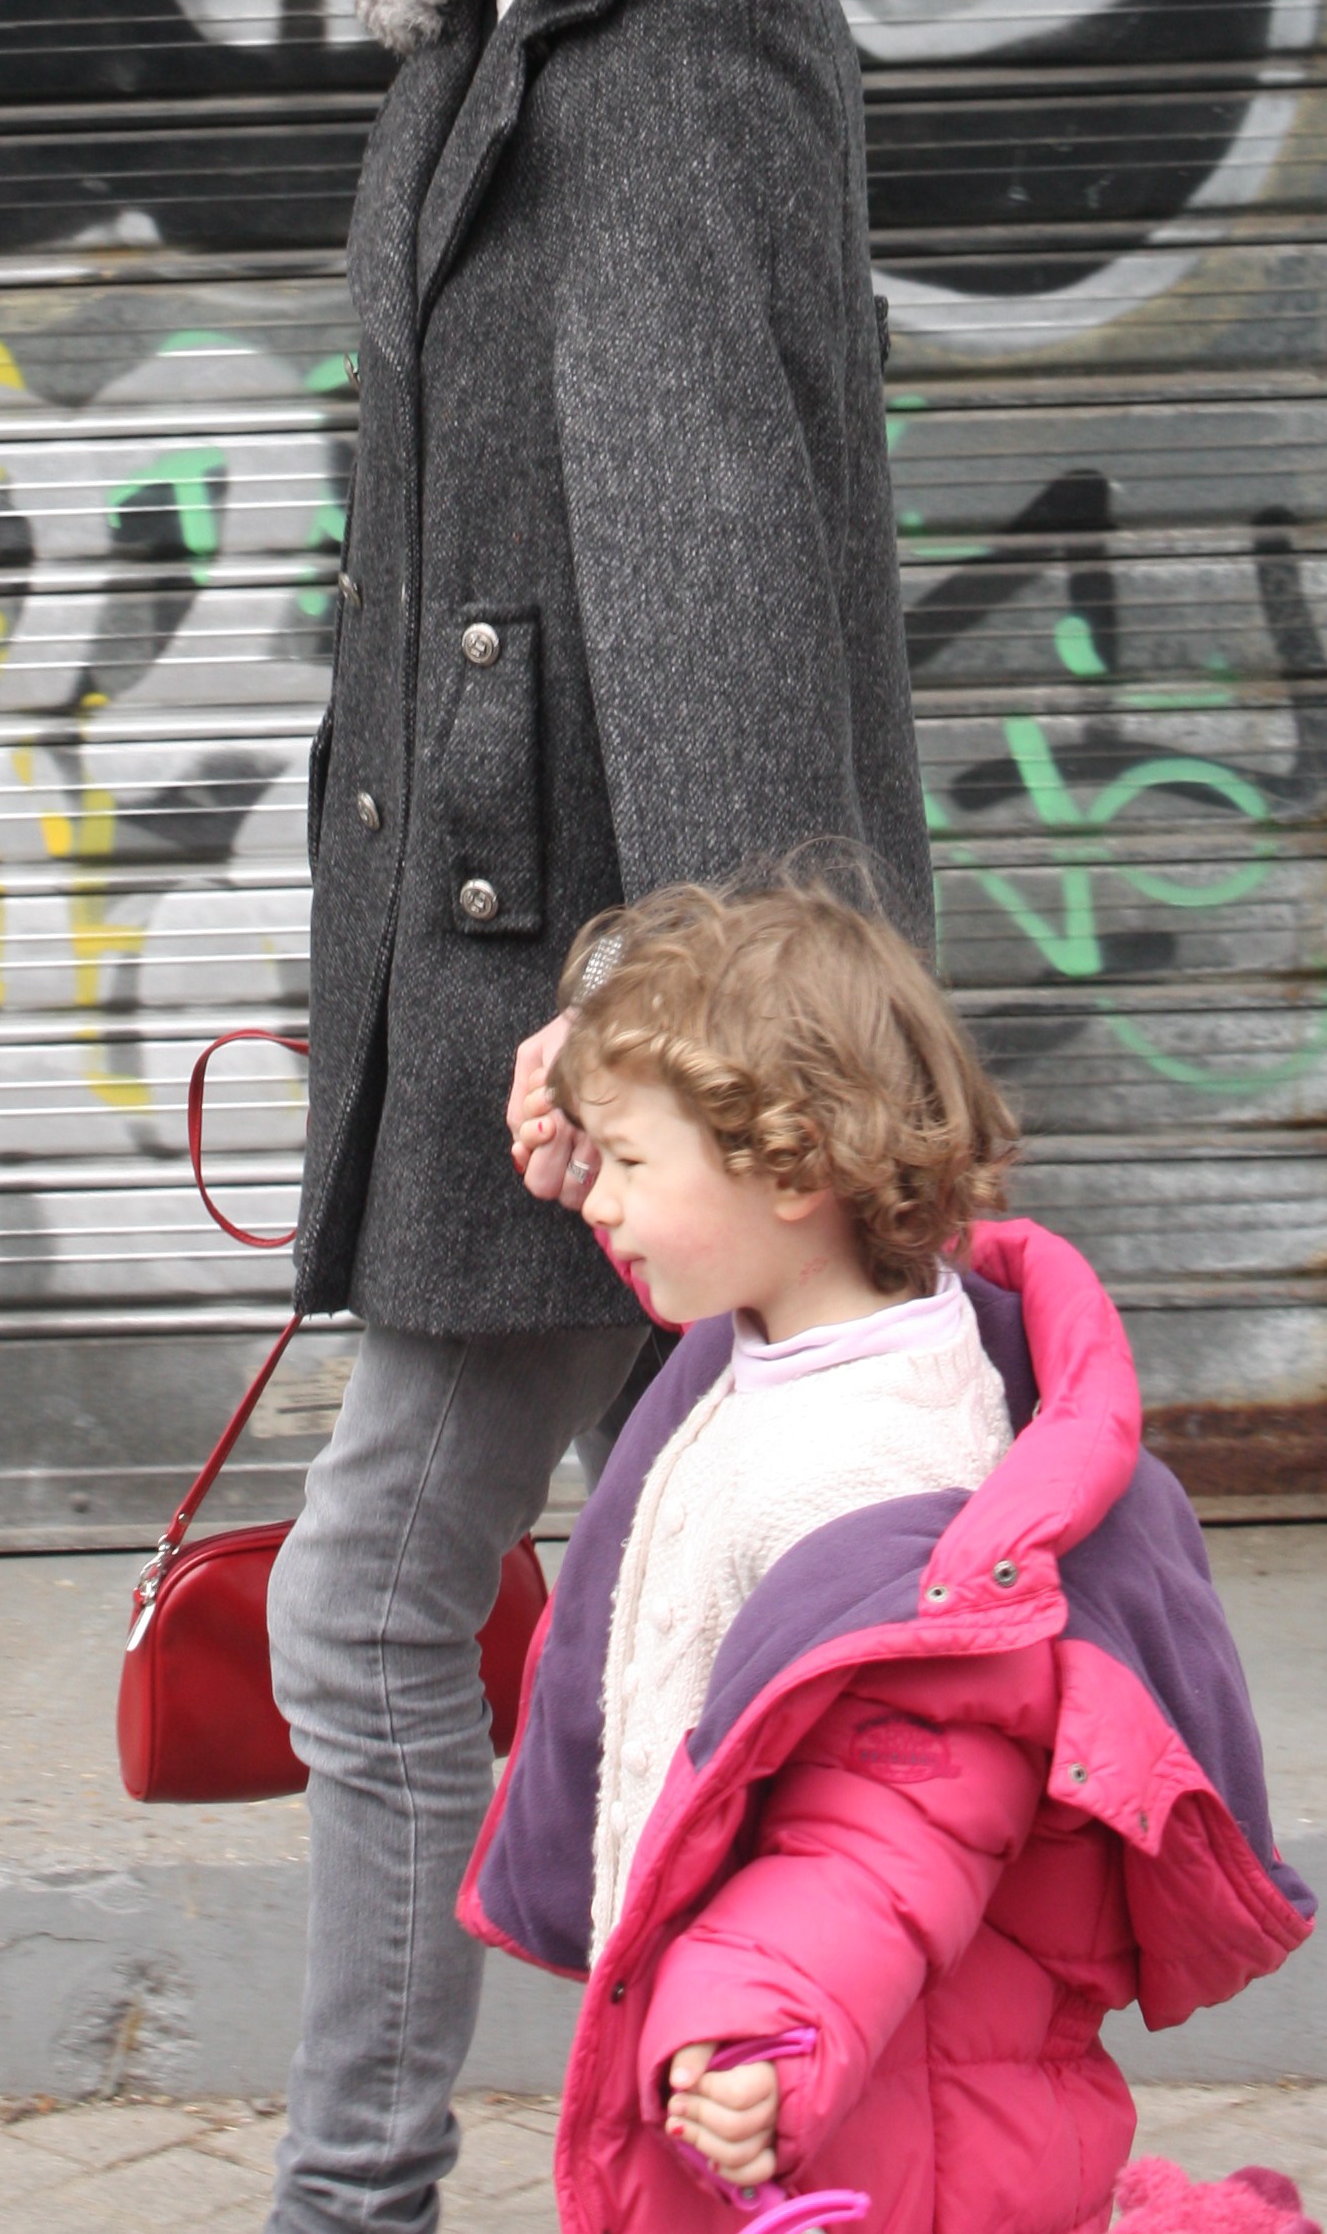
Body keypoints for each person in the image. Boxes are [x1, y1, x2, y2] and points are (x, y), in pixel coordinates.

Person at [267, 0, 932, 2234]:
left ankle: (377, 2192)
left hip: (597, 989)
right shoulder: (496, 1)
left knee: (412, 1598)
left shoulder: (670, 5)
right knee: (704, 1619)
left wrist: (692, 1020)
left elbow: (711, 535)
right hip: (515, 958)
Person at [471, 879, 1315, 2234]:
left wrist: (763, 2031)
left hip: (869, 2119)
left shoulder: (871, 1473)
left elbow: (893, 1825)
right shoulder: (802, 1329)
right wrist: (610, 1129)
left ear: (791, 1170)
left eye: (627, 1166)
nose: (600, 1200)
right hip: (827, 2056)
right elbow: (714, 1244)